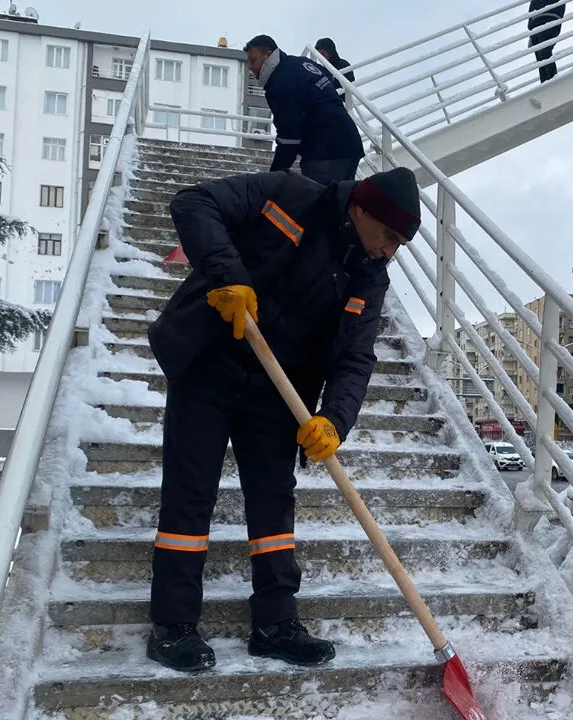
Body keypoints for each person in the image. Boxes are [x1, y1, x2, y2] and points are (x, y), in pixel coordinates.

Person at [145, 165, 422, 672]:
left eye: (399, 244)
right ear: (361, 208)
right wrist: (227, 274)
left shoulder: (369, 277)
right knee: (190, 493)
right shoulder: (290, 194)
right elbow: (194, 200)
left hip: (279, 389)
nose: (389, 251)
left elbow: (355, 359)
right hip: (211, 360)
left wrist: (335, 420)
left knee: (273, 506)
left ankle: (275, 623)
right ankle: (173, 625)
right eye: (388, 236)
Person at [244, 34, 364, 185]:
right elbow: (328, 77)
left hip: (324, 152)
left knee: (321, 206)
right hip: (350, 142)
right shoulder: (301, 62)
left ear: (268, 55)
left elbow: (289, 138)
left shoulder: (278, 84)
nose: (250, 66)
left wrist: (273, 177)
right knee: (340, 205)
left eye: (253, 60)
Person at [528, 0, 566, 83]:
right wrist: (530, 33)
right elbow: (531, 9)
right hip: (535, 26)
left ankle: (553, 81)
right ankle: (545, 83)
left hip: (550, 20)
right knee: (540, 60)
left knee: (545, 52)